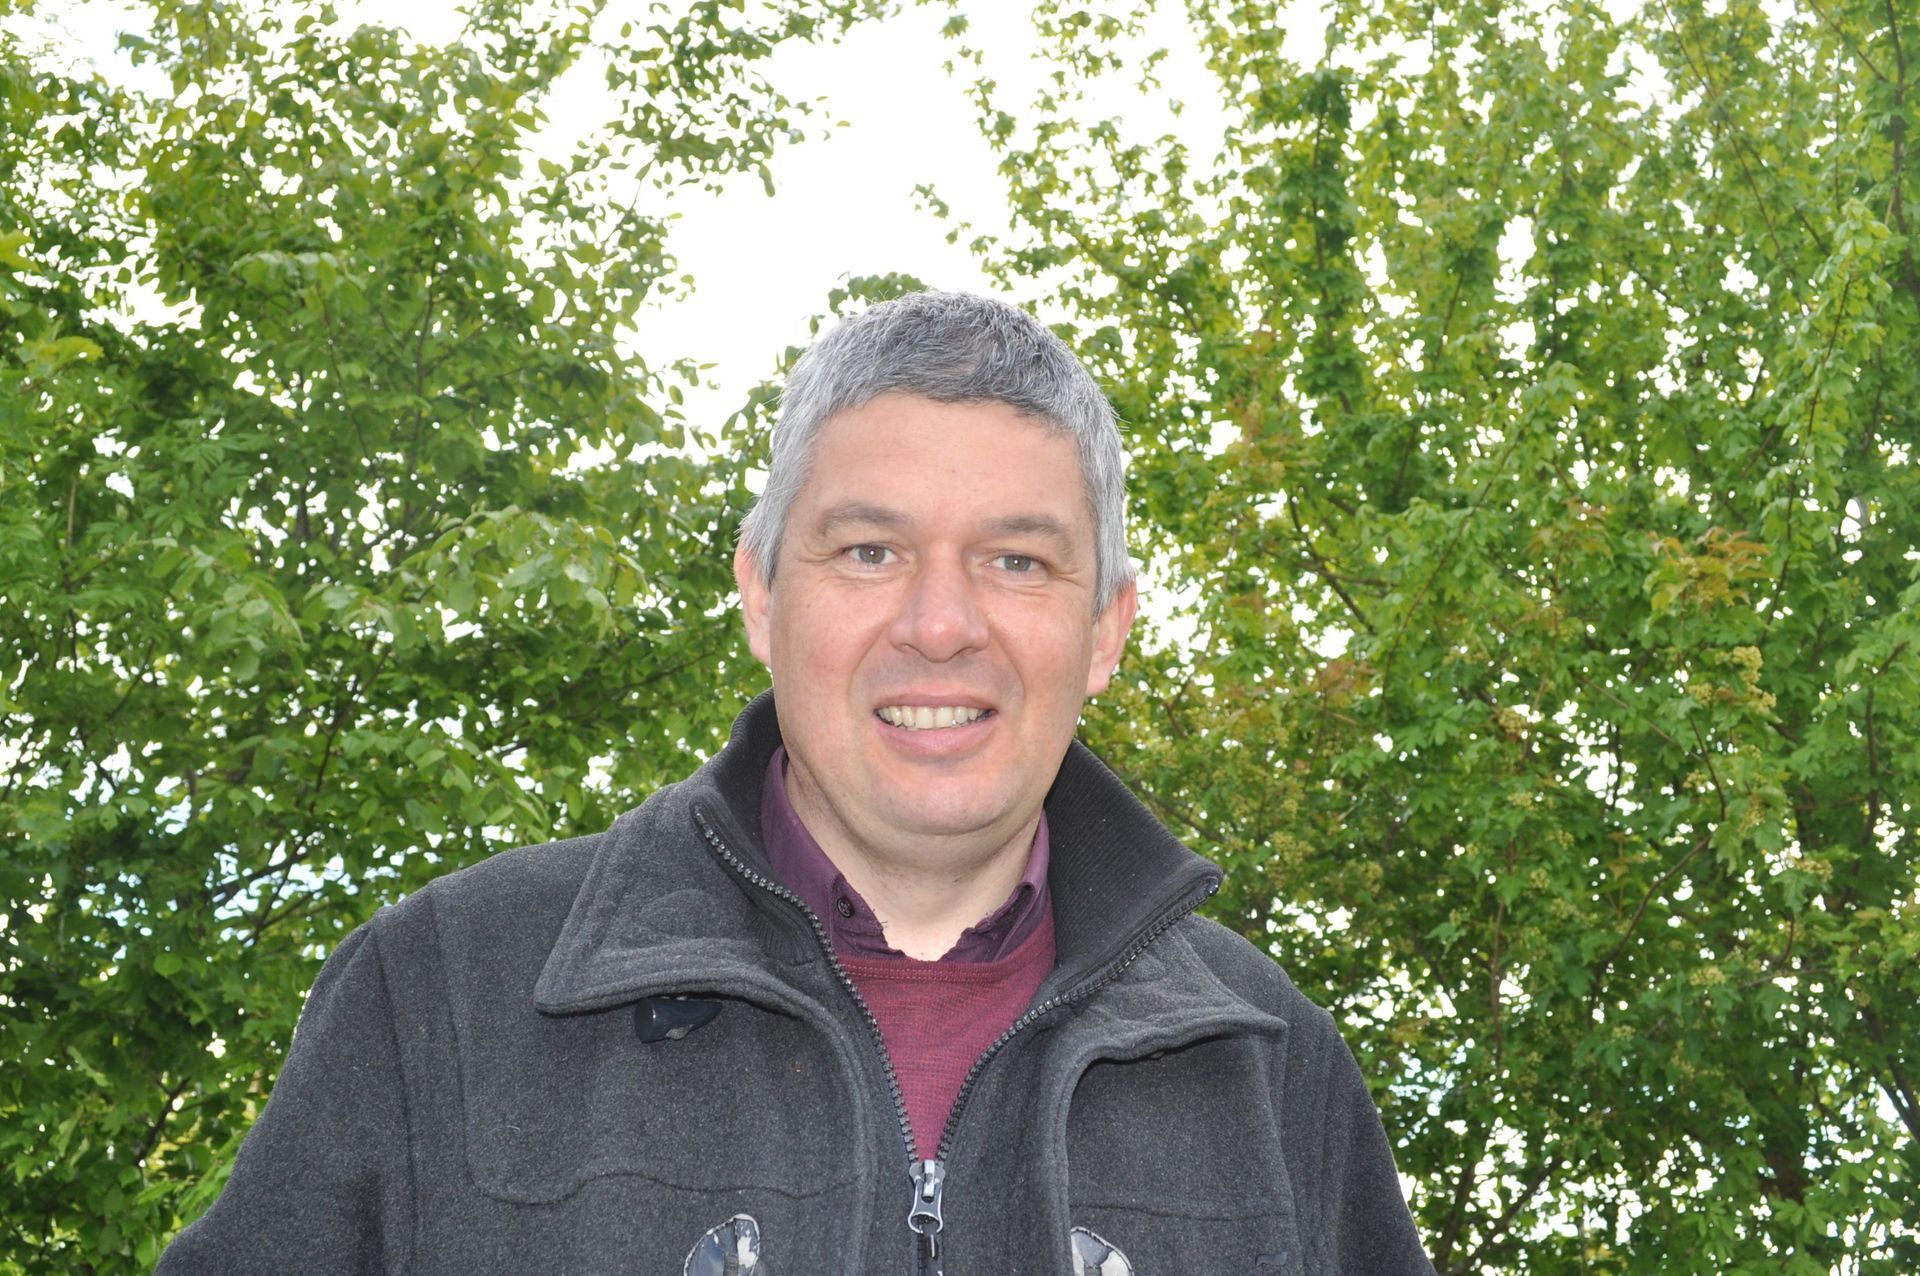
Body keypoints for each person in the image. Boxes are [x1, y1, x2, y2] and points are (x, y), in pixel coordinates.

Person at [156, 291, 1435, 1274]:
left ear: (1106, 630)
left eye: (1018, 562)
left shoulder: (1271, 1068)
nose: (941, 624)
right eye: (870, 549)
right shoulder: (444, 993)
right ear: (763, 595)